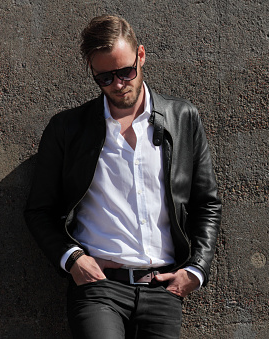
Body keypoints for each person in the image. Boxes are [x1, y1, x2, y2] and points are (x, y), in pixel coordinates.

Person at [24, 14, 221, 339]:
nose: (118, 84)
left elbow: (207, 203)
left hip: (162, 288)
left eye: (126, 72)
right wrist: (72, 259)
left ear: (140, 56)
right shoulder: (68, 128)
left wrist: (196, 269)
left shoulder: (181, 118)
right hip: (98, 287)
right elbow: (39, 210)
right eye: (105, 77)